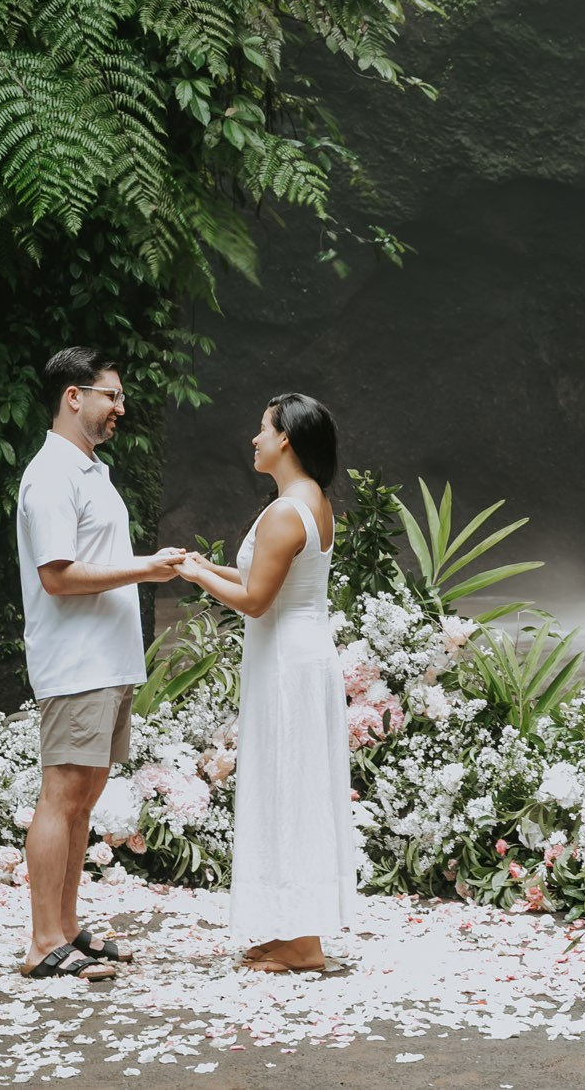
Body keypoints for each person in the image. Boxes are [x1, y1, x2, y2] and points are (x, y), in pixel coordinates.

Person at [170, 393, 358, 973]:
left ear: (287, 441)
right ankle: (293, 930)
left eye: (263, 429)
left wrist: (195, 576)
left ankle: (303, 943)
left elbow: (254, 601)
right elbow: (262, 581)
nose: (254, 440)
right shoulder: (313, 502)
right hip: (298, 653)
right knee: (292, 783)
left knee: (290, 784)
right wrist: (202, 566)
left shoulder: (284, 511)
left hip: (288, 665)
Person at [13, 346, 183, 982]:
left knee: (85, 797)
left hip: (108, 663)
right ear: (73, 397)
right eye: (110, 394)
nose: (120, 406)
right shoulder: (50, 475)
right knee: (61, 794)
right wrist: (148, 566)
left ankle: (66, 930)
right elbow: (57, 576)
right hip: (75, 662)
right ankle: (41, 943)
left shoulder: (90, 471)